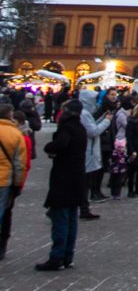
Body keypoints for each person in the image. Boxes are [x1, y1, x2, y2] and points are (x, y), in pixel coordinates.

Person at [36, 99, 87, 271]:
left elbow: (61, 144)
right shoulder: (80, 128)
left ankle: (57, 257)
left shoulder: (67, 128)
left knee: (61, 218)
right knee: (71, 219)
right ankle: (67, 256)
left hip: (64, 178)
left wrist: (50, 148)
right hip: (77, 178)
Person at [0, 102, 28, 260]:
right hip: (5, 180)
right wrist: (18, 184)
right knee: (3, 213)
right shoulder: (15, 134)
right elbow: (19, 164)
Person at [78, 90, 111, 219]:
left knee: (84, 183)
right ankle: (84, 210)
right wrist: (106, 121)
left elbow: (92, 127)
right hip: (88, 152)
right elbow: (93, 131)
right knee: (84, 184)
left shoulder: (85, 114)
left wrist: (103, 118)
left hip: (89, 152)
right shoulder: (84, 114)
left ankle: (84, 208)